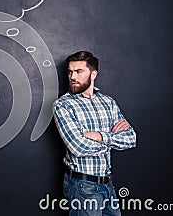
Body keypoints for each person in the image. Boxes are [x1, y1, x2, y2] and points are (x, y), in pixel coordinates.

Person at [53, 51, 137, 215]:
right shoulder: (63, 105)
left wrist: (99, 136)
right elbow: (78, 148)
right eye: (70, 71)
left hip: (108, 184)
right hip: (83, 186)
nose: (72, 76)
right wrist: (112, 140)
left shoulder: (108, 102)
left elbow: (131, 138)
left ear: (93, 74)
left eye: (79, 71)